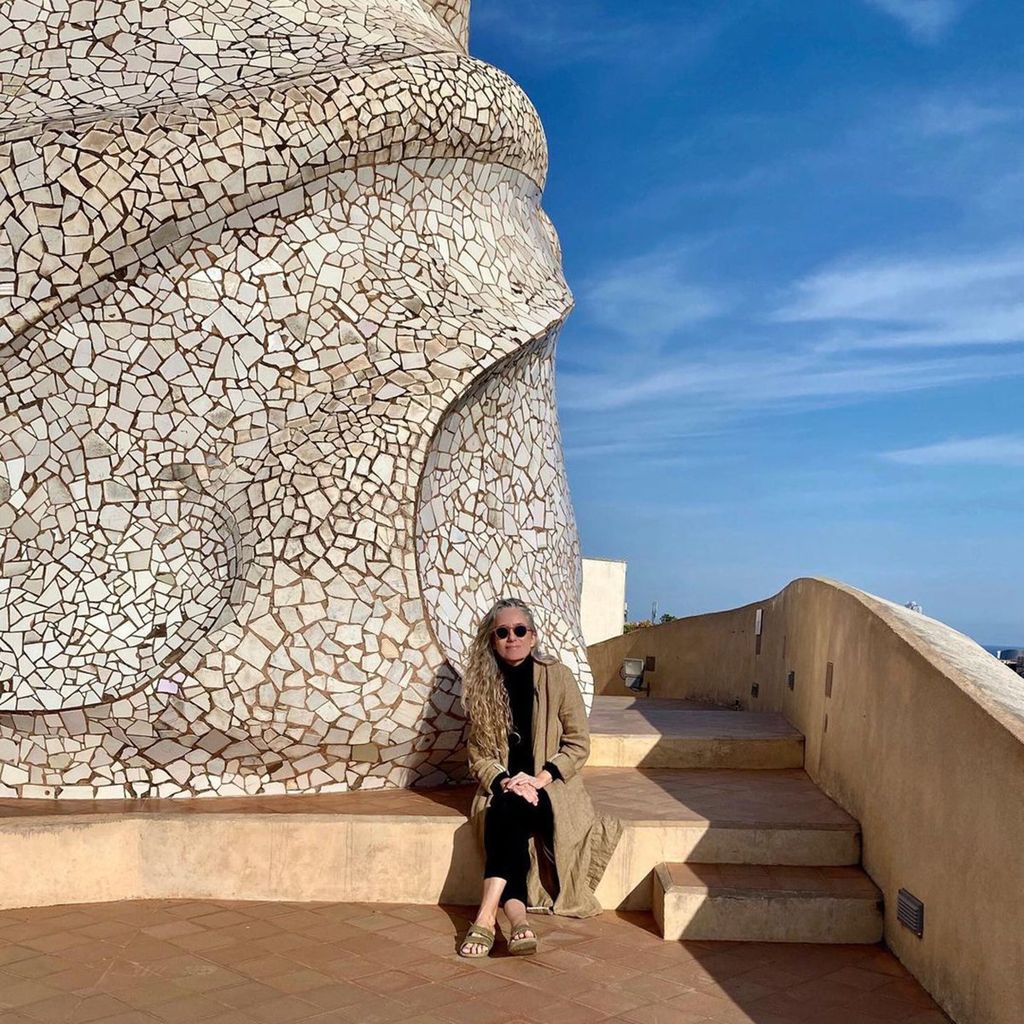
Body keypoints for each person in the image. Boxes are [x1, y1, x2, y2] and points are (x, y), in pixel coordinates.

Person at [458, 598, 622, 957]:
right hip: (506, 787)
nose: (511, 638)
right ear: (492, 640)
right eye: (502, 632)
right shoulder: (484, 687)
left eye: (520, 630)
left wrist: (538, 780)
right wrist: (506, 781)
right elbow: (479, 755)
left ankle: (486, 916)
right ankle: (517, 920)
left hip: (552, 788)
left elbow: (578, 744)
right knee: (507, 812)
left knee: (506, 815)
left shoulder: (557, 677)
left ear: (533, 637)